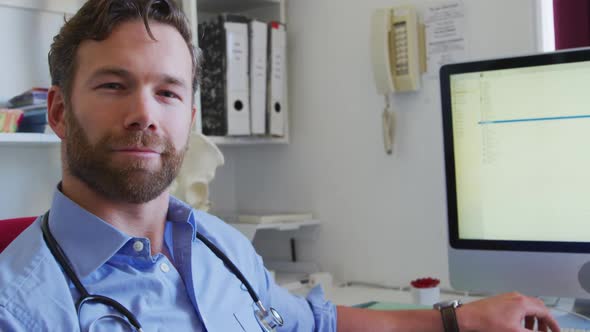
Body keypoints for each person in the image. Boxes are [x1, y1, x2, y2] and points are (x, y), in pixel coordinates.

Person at [0, 0, 560, 331]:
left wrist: (455, 321)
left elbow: (310, 323)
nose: (143, 114)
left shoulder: (218, 245)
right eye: (113, 85)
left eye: (167, 93)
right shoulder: (20, 309)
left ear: (190, 116)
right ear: (58, 111)